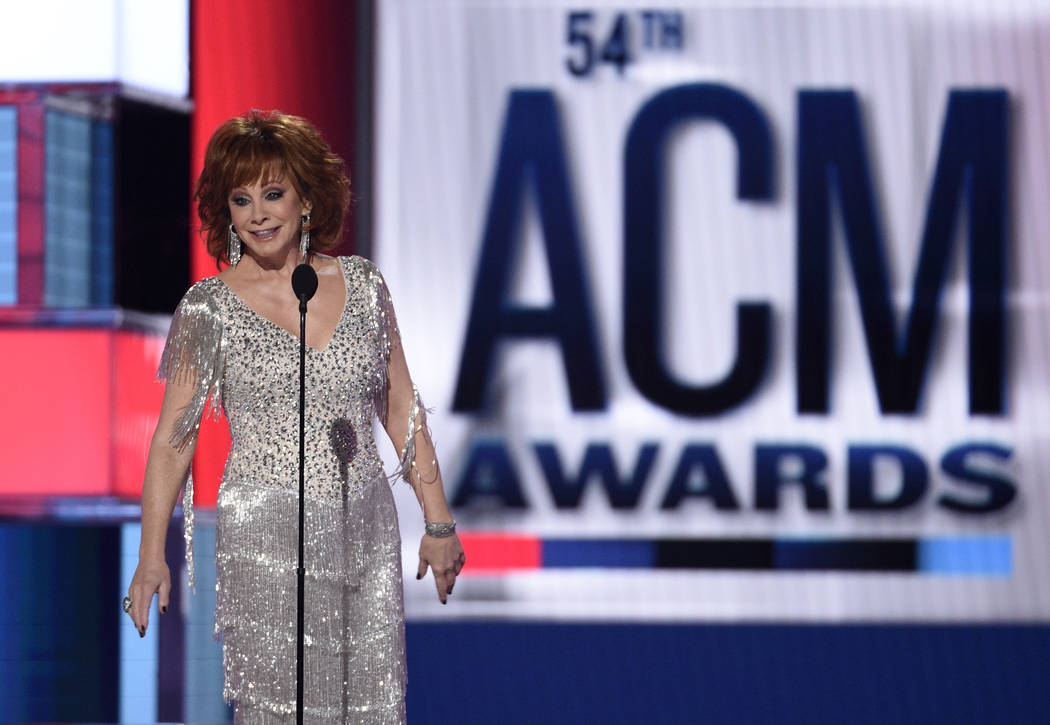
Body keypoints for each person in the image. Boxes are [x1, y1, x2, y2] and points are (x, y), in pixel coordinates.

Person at [124, 109, 464, 724]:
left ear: (306, 199)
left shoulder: (364, 287)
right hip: (267, 538)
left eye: (274, 194)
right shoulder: (209, 310)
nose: (258, 214)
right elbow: (175, 440)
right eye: (241, 198)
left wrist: (438, 523)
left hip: (363, 528)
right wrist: (153, 554)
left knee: (371, 709)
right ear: (225, 211)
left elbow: (399, 408)